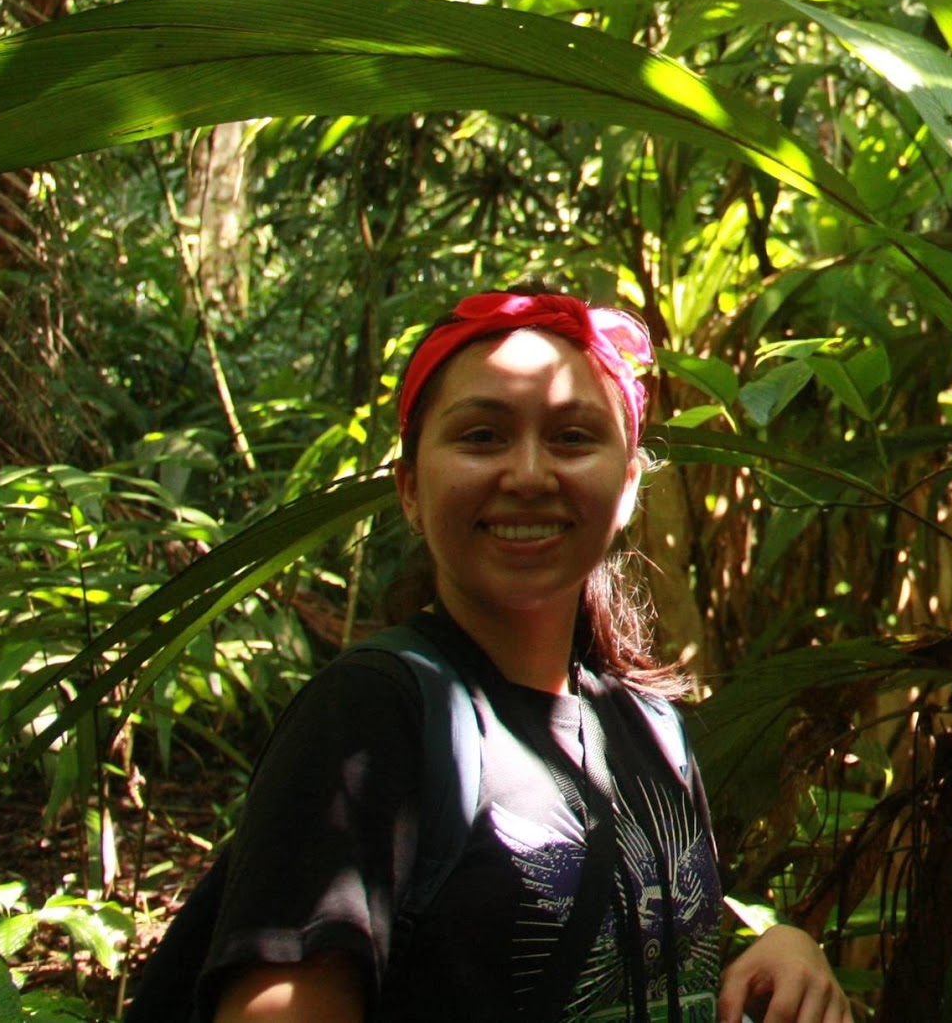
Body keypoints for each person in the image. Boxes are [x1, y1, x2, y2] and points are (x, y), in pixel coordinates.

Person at [198, 290, 846, 1023]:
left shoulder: (655, 732)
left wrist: (781, 950)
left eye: (573, 437)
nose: (531, 474)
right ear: (410, 487)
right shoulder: (373, 717)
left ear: (628, 484)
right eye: (481, 436)